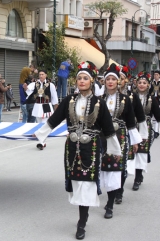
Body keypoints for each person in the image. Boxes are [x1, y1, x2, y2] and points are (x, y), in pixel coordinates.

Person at [34, 61, 121, 240]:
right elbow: (55, 119)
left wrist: (114, 149)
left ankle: (82, 222)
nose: (82, 81)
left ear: (91, 82)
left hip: (92, 147)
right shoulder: (69, 100)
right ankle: (83, 215)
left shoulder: (99, 102)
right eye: (79, 78)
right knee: (77, 183)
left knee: (86, 184)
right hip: (73, 148)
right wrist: (40, 134)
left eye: (85, 78)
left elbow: (108, 128)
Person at [100, 63, 142, 219]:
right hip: (103, 137)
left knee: (117, 168)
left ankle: (110, 204)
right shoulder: (99, 99)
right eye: (108, 79)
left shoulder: (125, 99)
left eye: (113, 79)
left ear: (118, 82)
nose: (110, 81)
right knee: (105, 169)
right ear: (104, 82)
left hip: (121, 137)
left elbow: (131, 122)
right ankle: (112, 193)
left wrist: (135, 141)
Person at [115, 65, 148, 205]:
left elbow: (140, 117)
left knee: (122, 164)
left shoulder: (131, 96)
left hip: (126, 132)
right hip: (108, 135)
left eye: (121, 79)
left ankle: (119, 191)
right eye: (117, 79)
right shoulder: (104, 97)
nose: (118, 81)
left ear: (126, 81)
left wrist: (141, 136)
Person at [132, 71, 160, 191]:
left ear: (148, 85)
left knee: (141, 151)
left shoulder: (151, 99)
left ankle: (138, 176)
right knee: (132, 151)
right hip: (133, 127)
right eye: (139, 82)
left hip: (145, 127)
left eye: (144, 83)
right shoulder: (131, 98)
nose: (141, 85)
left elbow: (157, 114)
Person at [24, 70, 58, 150]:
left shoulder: (50, 85)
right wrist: (25, 88)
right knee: (39, 124)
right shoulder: (35, 84)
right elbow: (28, 90)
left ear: (46, 75)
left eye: (42, 74)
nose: (41, 76)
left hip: (46, 105)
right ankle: (42, 141)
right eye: (40, 74)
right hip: (37, 106)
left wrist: (55, 106)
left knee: (44, 124)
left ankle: (41, 142)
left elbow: (54, 96)